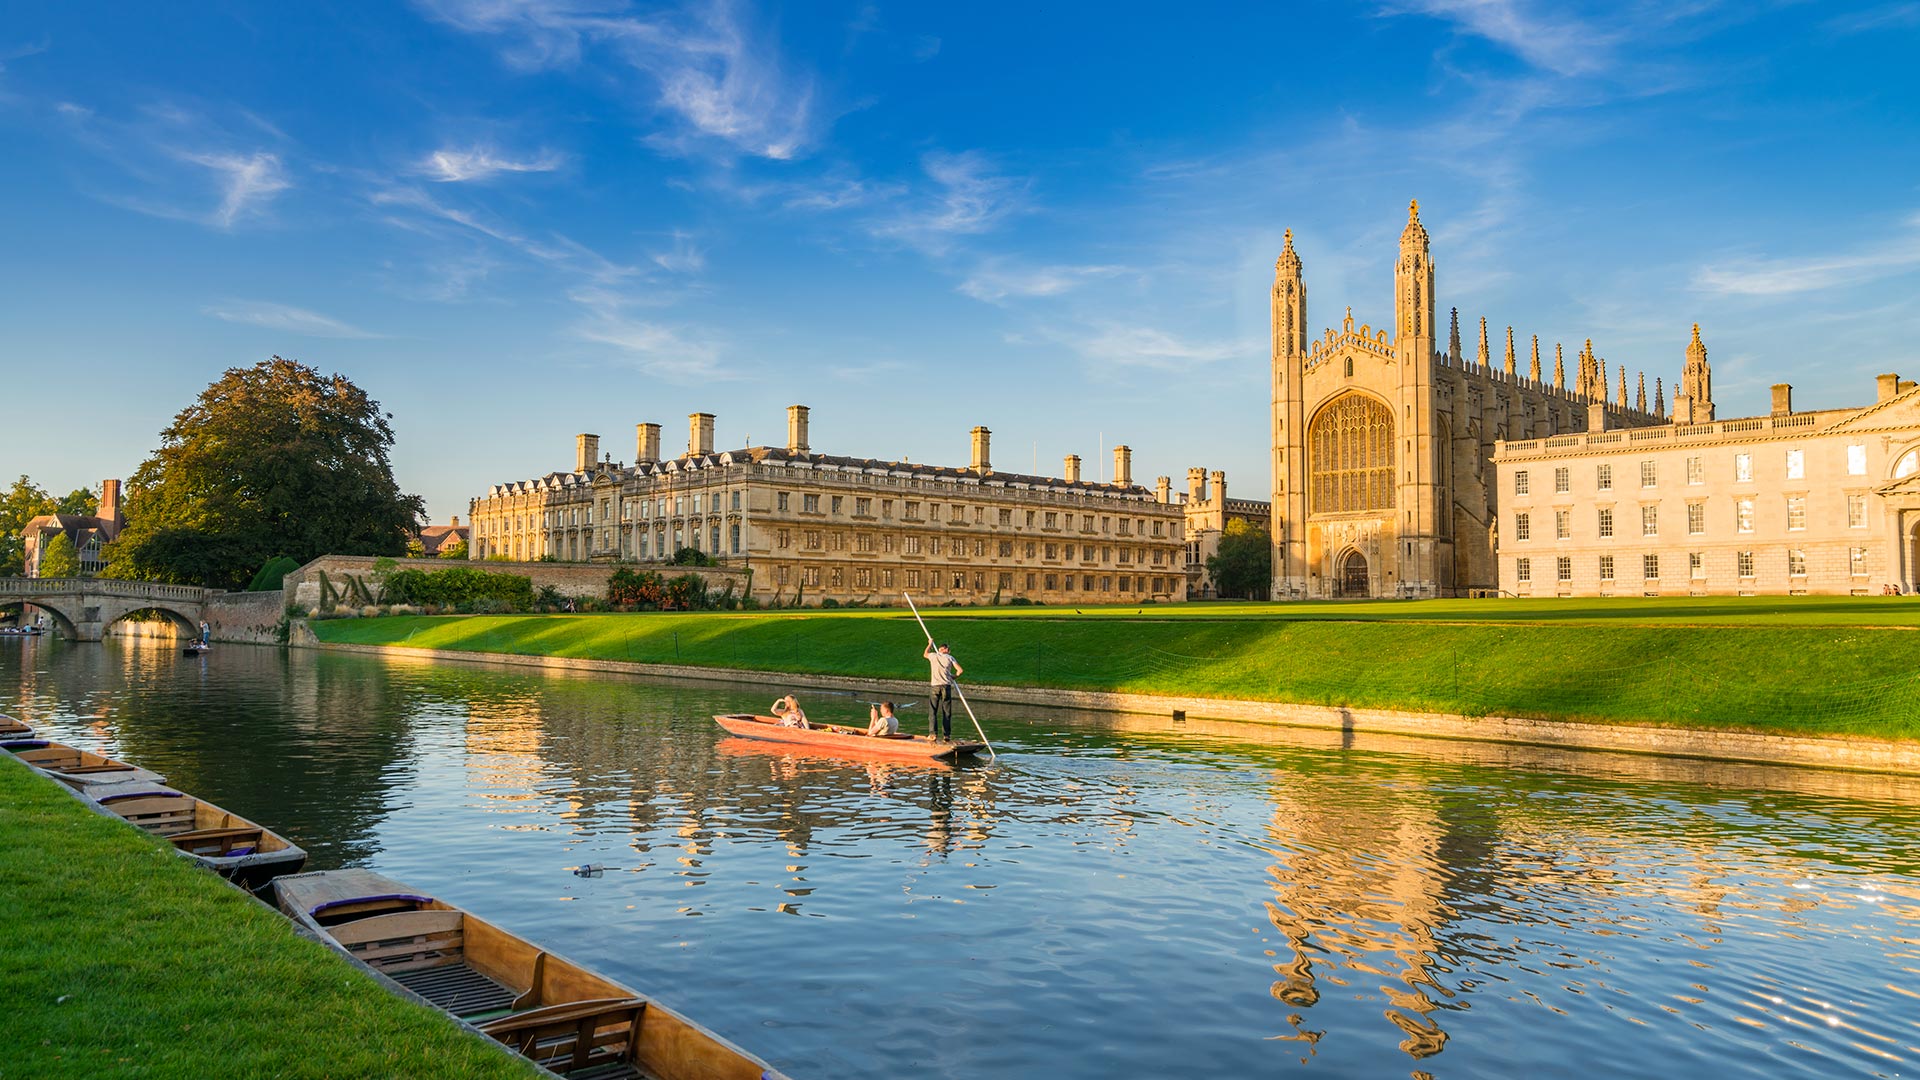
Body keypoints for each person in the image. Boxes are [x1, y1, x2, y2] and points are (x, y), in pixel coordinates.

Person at [924, 641, 962, 741]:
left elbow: (925, 654)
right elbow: (960, 670)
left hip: (935, 687)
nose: (949, 651)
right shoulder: (950, 658)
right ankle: (946, 735)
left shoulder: (933, 656)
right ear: (944, 649)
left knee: (933, 711)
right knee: (946, 712)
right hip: (946, 686)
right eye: (948, 649)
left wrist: (929, 644)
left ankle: (933, 734)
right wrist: (954, 676)